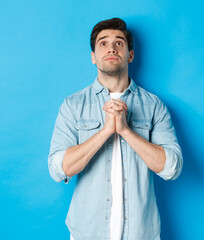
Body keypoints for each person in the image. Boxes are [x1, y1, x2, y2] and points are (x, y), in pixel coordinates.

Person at [48, 17, 183, 240]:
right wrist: (105, 132)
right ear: (93, 57)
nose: (111, 47)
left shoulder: (154, 106)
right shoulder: (73, 105)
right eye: (103, 43)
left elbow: (172, 168)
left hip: (141, 234)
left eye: (119, 42)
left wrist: (126, 130)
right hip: (87, 234)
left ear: (130, 54)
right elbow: (57, 169)